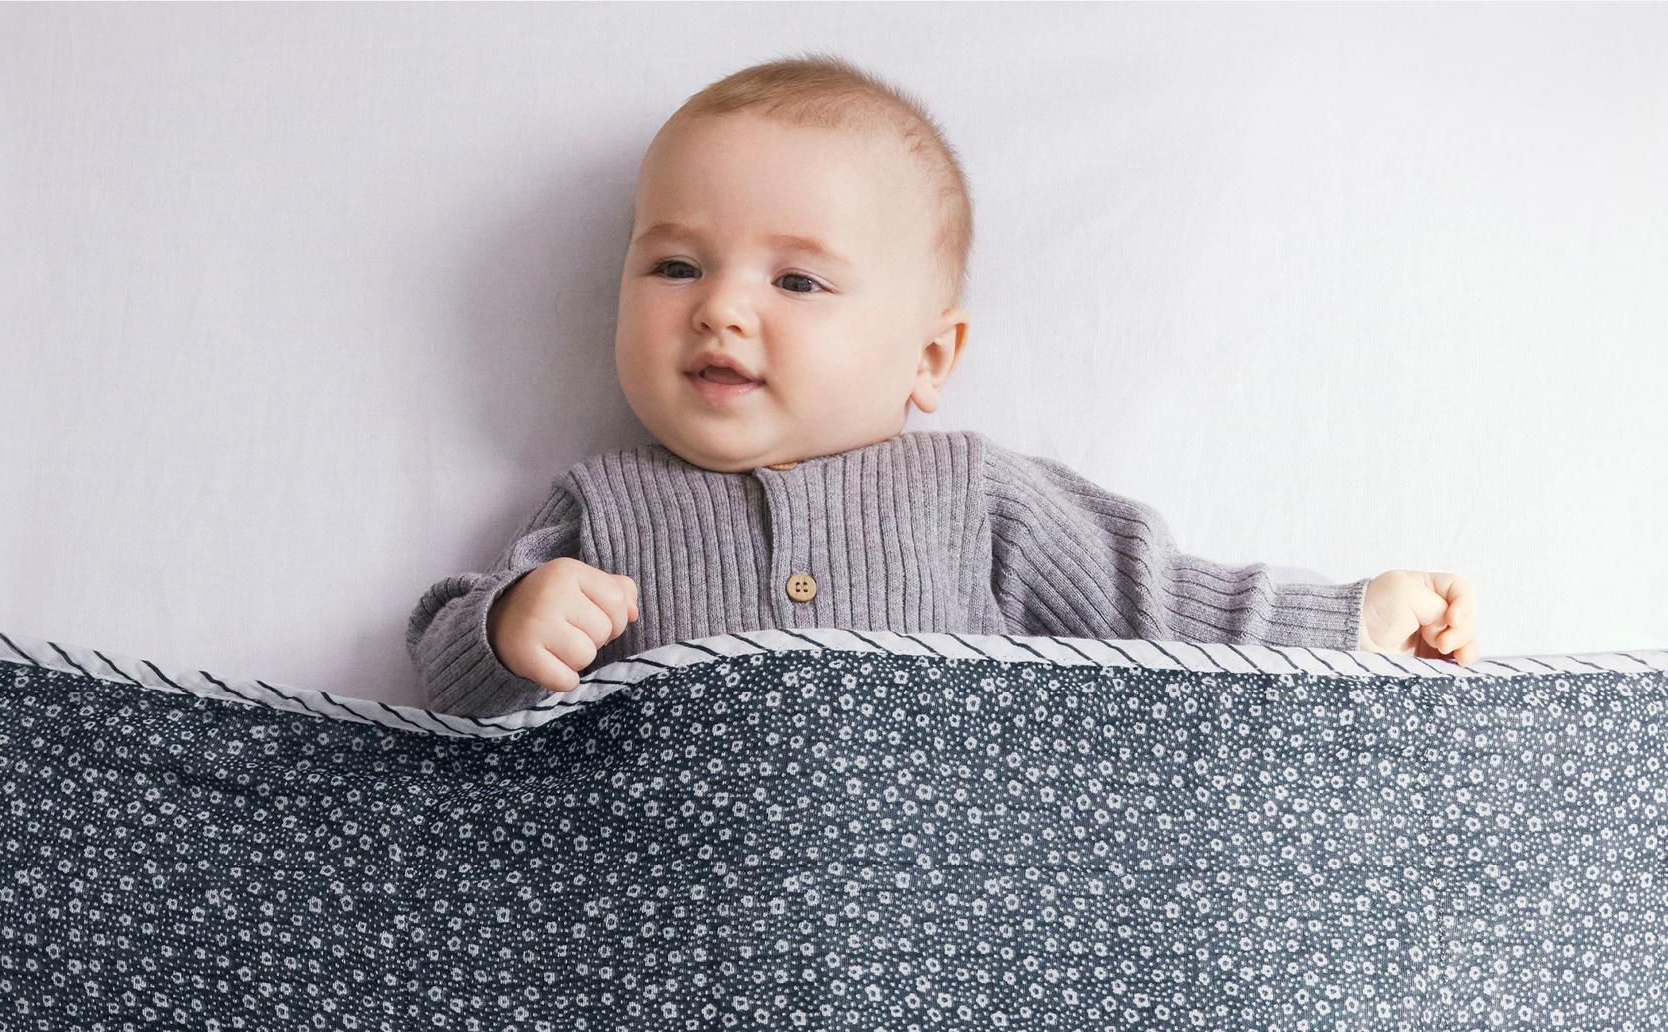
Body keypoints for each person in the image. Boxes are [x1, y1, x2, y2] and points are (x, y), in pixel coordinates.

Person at [406, 53, 1480, 718]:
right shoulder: (607, 503)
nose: (719, 308)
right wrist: (507, 627)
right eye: (675, 265)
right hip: (673, 933)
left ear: (927, 357)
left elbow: (1153, 597)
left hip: (954, 927)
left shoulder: (971, 494)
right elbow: (444, 669)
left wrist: (1349, 618)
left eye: (797, 279)